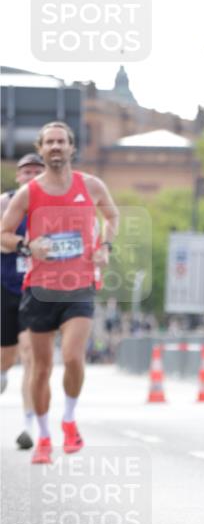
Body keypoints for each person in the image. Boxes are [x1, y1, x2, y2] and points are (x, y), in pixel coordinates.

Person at [0, 121, 119, 465]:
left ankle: (68, 419)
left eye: (61, 142)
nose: (55, 147)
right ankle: (43, 436)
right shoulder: (29, 193)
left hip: (79, 285)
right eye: (49, 142)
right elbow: (4, 233)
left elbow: (111, 216)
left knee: (71, 357)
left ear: (71, 148)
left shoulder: (91, 185)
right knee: (40, 368)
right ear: (41, 148)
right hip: (39, 288)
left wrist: (105, 246)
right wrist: (27, 245)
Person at [0, 152, 46, 449]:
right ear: (19, 177)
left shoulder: (55, 206)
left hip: (37, 288)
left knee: (31, 354)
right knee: (7, 357)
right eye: (26, 172)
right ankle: (3, 373)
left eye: (36, 172)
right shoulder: (6, 202)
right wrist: (25, 245)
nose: (31, 177)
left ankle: (29, 425)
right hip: (6, 286)